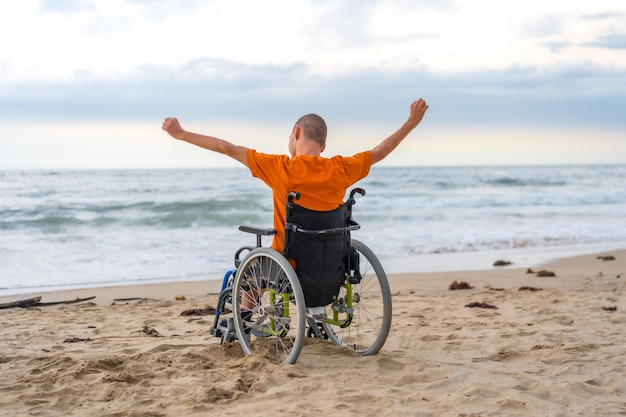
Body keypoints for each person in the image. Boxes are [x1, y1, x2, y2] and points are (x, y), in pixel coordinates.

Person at [161, 99, 429, 256]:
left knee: (244, 270)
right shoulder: (341, 169)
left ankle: (247, 320)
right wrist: (410, 124)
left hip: (286, 261)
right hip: (328, 262)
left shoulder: (279, 167)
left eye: (289, 137)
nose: (289, 141)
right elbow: (379, 152)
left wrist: (182, 134)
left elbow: (226, 147)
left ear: (296, 132)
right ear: (322, 146)